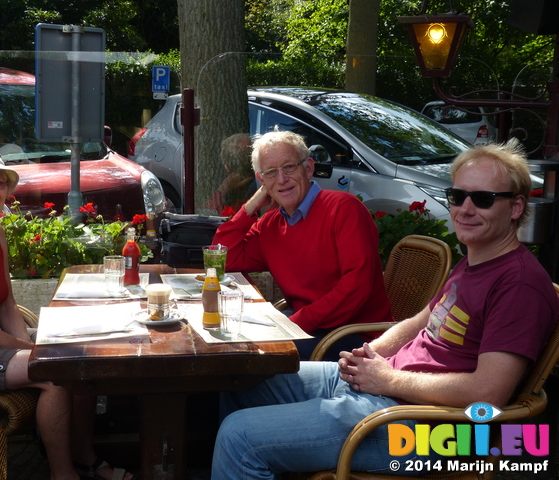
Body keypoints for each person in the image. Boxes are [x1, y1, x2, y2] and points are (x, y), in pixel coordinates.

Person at [211, 139, 559, 478]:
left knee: (239, 436)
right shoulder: (475, 263)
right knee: (242, 378)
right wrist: (368, 354)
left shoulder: (518, 284)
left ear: (515, 208)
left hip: (424, 428)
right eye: (457, 196)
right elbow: (419, 322)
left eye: (483, 199)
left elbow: (488, 393)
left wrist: (388, 378)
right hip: (384, 387)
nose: (465, 209)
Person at [0, 142, 133, 480]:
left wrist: (27, 344)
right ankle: (63, 475)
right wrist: (35, 353)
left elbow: (5, 303)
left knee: (81, 354)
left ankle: (84, 458)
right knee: (53, 374)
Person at [212, 130, 392, 360]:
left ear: (308, 168)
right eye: (271, 173)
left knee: (248, 360)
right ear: (262, 181)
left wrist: (294, 323)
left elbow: (357, 286)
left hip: (356, 337)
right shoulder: (270, 224)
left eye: (289, 167)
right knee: (226, 345)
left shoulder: (343, 208)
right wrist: (251, 206)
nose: (281, 179)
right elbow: (225, 258)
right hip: (307, 326)